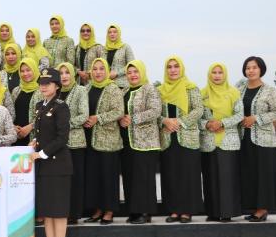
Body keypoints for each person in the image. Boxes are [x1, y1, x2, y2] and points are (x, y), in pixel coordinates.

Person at [237, 56, 276, 222]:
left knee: (262, 174)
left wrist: (256, 118)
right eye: (248, 68)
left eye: (254, 67)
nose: (250, 71)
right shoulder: (239, 88)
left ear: (261, 69)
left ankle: (262, 210)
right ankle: (254, 208)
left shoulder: (269, 90)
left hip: (264, 140)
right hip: (244, 138)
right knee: (250, 173)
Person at [31, 68, 72, 237]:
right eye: (42, 82)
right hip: (44, 166)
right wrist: (35, 144)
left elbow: (62, 138)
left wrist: (42, 153)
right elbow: (42, 134)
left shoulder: (61, 107)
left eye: (48, 83)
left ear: (57, 85)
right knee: (48, 211)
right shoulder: (40, 105)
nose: (44, 86)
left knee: (59, 211)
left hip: (58, 166)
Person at [158, 56, 204, 223]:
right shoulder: (160, 90)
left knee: (188, 175)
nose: (173, 70)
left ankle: (187, 211)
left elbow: (198, 110)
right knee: (171, 175)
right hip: (168, 137)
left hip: (187, 137)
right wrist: (165, 120)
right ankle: (174, 210)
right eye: (169, 67)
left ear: (181, 68)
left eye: (176, 66)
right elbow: (156, 112)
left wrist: (180, 122)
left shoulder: (191, 88)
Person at [118, 60, 161, 224]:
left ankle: (146, 212)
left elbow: (155, 111)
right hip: (128, 141)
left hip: (146, 142)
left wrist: (133, 118)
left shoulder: (149, 89)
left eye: (135, 72)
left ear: (141, 72)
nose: (132, 75)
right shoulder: (125, 91)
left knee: (144, 178)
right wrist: (121, 119)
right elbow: (120, 113)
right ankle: (134, 211)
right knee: (130, 176)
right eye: (129, 72)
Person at [83, 58, 124, 225]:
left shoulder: (113, 88)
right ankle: (98, 209)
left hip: (108, 140)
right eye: (95, 69)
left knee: (108, 176)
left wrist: (97, 118)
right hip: (90, 139)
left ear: (107, 71)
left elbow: (119, 111)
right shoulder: (87, 88)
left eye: (101, 69)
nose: (98, 72)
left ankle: (109, 210)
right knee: (94, 177)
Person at [200, 63, 243, 222]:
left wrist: (222, 123)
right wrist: (207, 124)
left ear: (225, 75)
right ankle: (212, 212)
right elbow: (198, 116)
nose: (217, 75)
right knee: (210, 177)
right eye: (214, 72)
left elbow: (239, 115)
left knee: (227, 178)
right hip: (208, 141)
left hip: (228, 141)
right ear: (209, 75)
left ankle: (227, 212)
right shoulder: (202, 93)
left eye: (220, 72)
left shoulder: (233, 92)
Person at [56, 63, 89, 225]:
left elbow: (84, 115)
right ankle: (63, 212)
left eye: (67, 72)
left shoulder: (81, 91)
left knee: (75, 179)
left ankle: (74, 213)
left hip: (75, 142)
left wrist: (64, 125)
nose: (64, 76)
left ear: (72, 74)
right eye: (61, 73)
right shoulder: (55, 92)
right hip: (58, 145)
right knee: (62, 180)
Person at [10, 58, 42, 147]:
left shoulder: (42, 91)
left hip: (34, 138)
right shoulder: (16, 91)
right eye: (22, 71)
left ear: (35, 70)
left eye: (28, 70)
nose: (25, 74)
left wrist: (31, 126)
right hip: (17, 135)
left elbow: (46, 115)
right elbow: (11, 112)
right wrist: (13, 127)